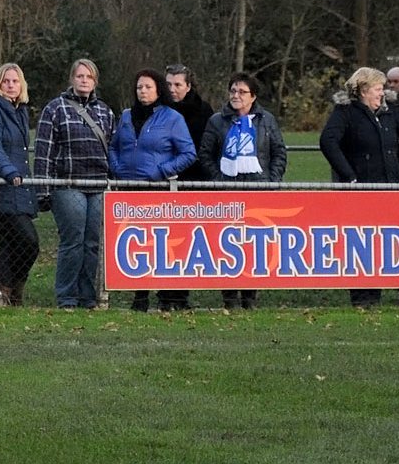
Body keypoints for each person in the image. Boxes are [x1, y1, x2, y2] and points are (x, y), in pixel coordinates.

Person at [319, 67, 399, 308]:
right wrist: (349, 176)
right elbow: (328, 141)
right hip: (362, 192)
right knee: (364, 245)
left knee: (397, 241)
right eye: (377, 88)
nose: (382, 93)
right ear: (363, 90)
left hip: (392, 188)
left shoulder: (391, 111)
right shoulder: (345, 112)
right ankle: (365, 297)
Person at [109, 68, 196, 312]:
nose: (143, 91)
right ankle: (139, 296)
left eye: (148, 87)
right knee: (135, 243)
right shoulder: (126, 116)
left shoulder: (172, 118)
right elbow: (114, 147)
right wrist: (117, 168)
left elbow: (188, 153)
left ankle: (161, 294)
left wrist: (161, 172)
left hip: (157, 191)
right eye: (139, 87)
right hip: (128, 190)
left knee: (155, 244)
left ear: (158, 90)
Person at [198, 72, 287, 310]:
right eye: (233, 91)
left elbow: (279, 152)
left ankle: (250, 298)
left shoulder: (266, 120)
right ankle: (229, 297)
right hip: (227, 192)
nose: (236, 96)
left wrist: (271, 180)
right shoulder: (217, 121)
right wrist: (219, 179)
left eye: (242, 92)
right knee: (228, 244)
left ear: (253, 96)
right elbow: (205, 154)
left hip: (258, 190)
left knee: (253, 245)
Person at [34, 59, 115, 309]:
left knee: (93, 243)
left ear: (95, 81)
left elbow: (113, 149)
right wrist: (42, 190)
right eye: (80, 76)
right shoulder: (55, 109)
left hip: (98, 185)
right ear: (72, 79)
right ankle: (67, 296)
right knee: (73, 240)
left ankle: (87, 296)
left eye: (89, 77)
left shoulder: (105, 112)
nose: (84, 80)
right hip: (68, 183)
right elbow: (44, 151)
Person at [0, 63, 39, 306]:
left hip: (19, 186)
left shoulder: (20, 111)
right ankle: (6, 290)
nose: (11, 85)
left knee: (12, 243)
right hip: (2, 184)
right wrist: (9, 171)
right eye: (6, 81)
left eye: (15, 81)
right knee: (27, 241)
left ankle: (7, 292)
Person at [161, 63, 214, 311]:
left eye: (177, 84)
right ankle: (164, 294)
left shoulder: (203, 111)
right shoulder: (159, 109)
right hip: (163, 182)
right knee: (165, 241)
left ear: (189, 86)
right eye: (168, 84)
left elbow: (206, 148)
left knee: (186, 241)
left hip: (193, 182)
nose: (172, 89)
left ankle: (181, 295)